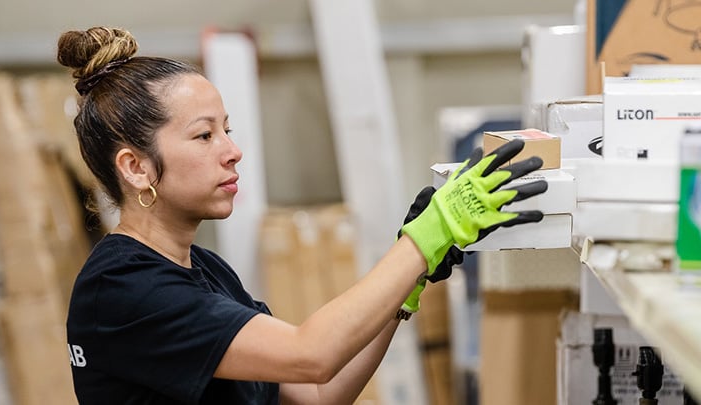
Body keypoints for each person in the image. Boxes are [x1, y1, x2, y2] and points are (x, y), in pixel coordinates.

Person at [59, 26, 548, 405]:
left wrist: (408, 286)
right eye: (204, 136)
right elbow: (310, 354)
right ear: (136, 167)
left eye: (227, 130)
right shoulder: (123, 289)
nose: (233, 151)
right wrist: (425, 237)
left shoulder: (206, 272)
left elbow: (316, 394)